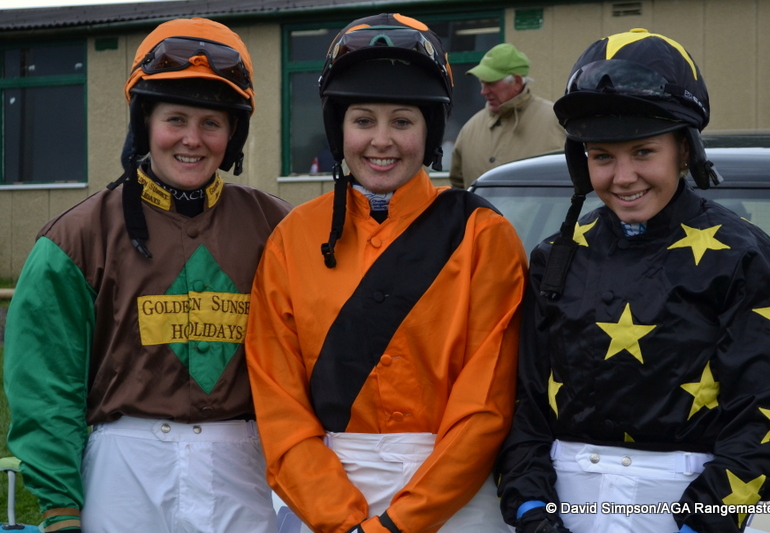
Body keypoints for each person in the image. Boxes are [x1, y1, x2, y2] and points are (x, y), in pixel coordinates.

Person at [496, 28, 770, 533]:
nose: (623, 177)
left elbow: (769, 420)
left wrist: (701, 521)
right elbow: (522, 401)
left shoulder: (748, 259)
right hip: (560, 505)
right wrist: (530, 509)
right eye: (602, 156)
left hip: (689, 505)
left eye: (643, 152)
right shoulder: (556, 257)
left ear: (684, 151)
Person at [3, 17, 292, 533]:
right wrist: (60, 508)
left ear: (233, 133)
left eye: (212, 123)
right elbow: (46, 387)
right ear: (144, 125)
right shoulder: (75, 238)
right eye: (175, 119)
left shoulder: (279, 230)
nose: (192, 140)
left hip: (245, 466)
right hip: (123, 470)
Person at [245, 13, 528, 533]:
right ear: (339, 129)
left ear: (429, 130)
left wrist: (401, 524)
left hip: (456, 498)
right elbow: (278, 401)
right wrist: (341, 518)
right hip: (325, 496)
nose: (382, 141)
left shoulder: (483, 234)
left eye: (402, 121)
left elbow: (485, 405)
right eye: (363, 121)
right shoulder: (293, 238)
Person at [448, 43, 564, 189]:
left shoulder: (557, 121)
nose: (483, 92)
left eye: (491, 83)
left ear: (517, 81)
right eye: (482, 83)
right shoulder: (470, 128)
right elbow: (459, 186)